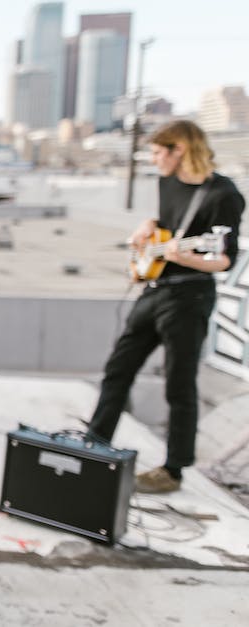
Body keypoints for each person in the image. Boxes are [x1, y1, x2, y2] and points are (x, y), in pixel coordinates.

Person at [87, 120, 244, 494]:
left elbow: (224, 259)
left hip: (190, 296)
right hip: (154, 289)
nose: (154, 160)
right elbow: (170, 222)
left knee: (179, 383)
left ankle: (173, 470)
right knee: (118, 368)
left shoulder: (224, 194)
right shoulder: (167, 182)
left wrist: (186, 258)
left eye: (159, 153)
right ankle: (95, 441)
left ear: (181, 150)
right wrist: (149, 226)